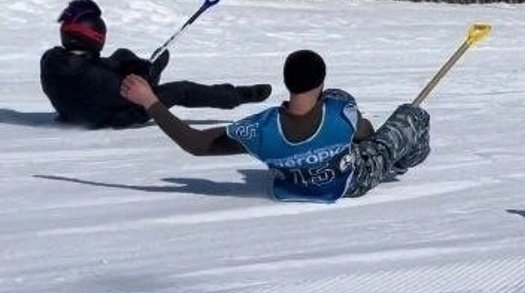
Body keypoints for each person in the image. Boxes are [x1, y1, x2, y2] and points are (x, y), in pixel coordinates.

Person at [119, 49, 430, 202]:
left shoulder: (261, 129)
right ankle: (402, 163)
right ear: (321, 83)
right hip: (351, 181)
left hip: (292, 186)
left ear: (286, 82)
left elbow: (196, 144)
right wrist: (365, 142)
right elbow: (363, 130)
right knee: (412, 115)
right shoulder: (342, 112)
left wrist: (150, 100)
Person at [40, 0, 272, 128]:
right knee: (182, 89)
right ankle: (238, 96)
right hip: (114, 114)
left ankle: (147, 68)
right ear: (97, 37)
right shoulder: (99, 78)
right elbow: (136, 93)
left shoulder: (51, 59)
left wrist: (131, 65)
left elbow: (101, 69)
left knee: (122, 54)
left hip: (79, 105)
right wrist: (149, 73)